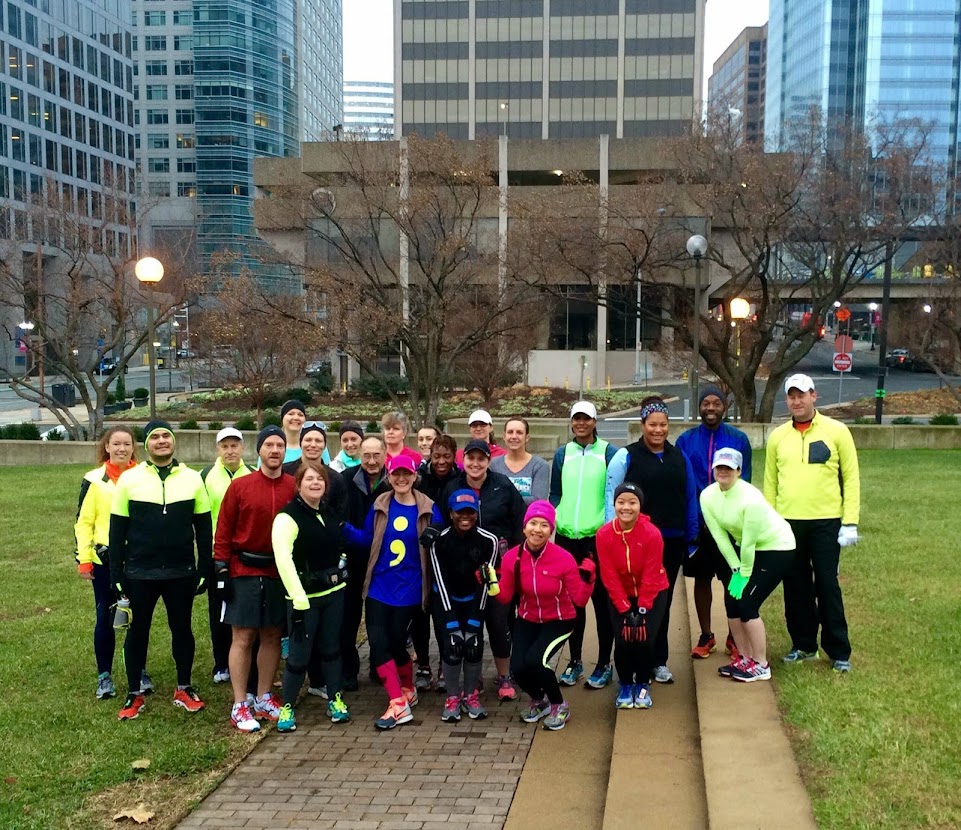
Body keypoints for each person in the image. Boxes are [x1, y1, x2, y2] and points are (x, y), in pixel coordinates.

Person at [109, 420, 212, 720]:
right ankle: (134, 693)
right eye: (155, 437)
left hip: (181, 571)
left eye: (167, 435)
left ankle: (184, 687)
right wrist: (116, 574)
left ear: (174, 442)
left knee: (182, 630)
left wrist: (204, 568)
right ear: (146, 445)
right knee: (137, 633)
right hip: (139, 572)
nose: (162, 441)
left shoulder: (193, 479)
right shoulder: (129, 480)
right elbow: (116, 531)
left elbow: (204, 530)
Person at [764, 374, 860, 673]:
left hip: (826, 522)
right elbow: (771, 483)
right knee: (796, 587)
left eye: (802, 395)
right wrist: (770, 523)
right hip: (788, 524)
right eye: (791, 396)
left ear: (814, 396)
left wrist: (850, 521)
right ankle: (804, 645)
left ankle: (838, 650)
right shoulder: (778, 436)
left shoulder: (837, 431)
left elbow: (851, 478)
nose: (797, 401)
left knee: (828, 585)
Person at [344, 454, 443, 729]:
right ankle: (397, 703)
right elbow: (368, 539)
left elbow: (442, 536)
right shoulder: (380, 504)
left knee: (397, 643)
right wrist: (343, 529)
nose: (401, 479)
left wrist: (436, 534)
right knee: (378, 643)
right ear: (389, 477)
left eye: (406, 474)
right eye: (395, 474)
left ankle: (408, 689)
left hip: (410, 588)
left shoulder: (428, 507)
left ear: (414, 476)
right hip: (379, 586)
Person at [605, 397, 698, 685]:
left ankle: (658, 661)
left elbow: (690, 496)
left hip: (671, 541)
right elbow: (611, 496)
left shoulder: (679, 456)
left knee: (661, 603)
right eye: (652, 424)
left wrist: (692, 534)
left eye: (663, 424)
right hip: (635, 542)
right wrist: (613, 533)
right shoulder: (627, 456)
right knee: (630, 601)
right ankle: (630, 662)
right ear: (642, 424)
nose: (658, 430)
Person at [213, 425, 296, 732]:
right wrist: (221, 568)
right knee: (244, 637)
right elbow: (224, 530)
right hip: (244, 570)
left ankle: (263, 696)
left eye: (279, 446)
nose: (274, 451)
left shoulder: (293, 486)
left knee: (272, 635)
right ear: (259, 450)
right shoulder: (241, 486)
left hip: (278, 570)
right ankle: (240, 703)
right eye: (269, 445)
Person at [440, 438, 527, 701]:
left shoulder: (503, 485)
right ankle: (473, 678)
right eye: (471, 458)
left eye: (481, 459)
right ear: (463, 460)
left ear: (489, 460)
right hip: (462, 570)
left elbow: (519, 523)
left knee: (499, 623)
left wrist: (515, 560)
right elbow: (442, 522)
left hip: (498, 569)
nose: (475, 463)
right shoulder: (452, 486)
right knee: (470, 625)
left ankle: (504, 675)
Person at [496, 501, 595, 731]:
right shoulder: (512, 558)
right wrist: (490, 584)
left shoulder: (564, 558)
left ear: (551, 531)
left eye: (544, 525)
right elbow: (505, 597)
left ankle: (559, 705)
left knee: (536, 660)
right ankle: (540, 700)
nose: (537, 530)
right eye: (533, 523)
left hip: (560, 619)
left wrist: (589, 580)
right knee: (518, 668)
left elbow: (579, 600)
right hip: (528, 618)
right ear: (524, 527)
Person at [701, 448, 796, 681]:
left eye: (729, 468)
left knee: (747, 602)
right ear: (713, 469)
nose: (723, 472)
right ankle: (744, 658)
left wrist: (744, 573)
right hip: (745, 549)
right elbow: (719, 536)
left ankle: (761, 664)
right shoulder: (707, 496)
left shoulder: (751, 498)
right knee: (732, 601)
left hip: (777, 547)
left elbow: (749, 542)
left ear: (739, 471)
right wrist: (735, 568)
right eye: (719, 467)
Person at [675, 386, 753, 660]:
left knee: (733, 579)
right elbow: (684, 485)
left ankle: (734, 635)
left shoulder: (738, 439)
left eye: (716, 403)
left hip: (729, 524)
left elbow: (745, 481)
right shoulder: (686, 441)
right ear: (699, 407)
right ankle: (706, 634)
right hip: (699, 524)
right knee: (702, 579)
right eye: (705, 403)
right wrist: (693, 521)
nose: (710, 408)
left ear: (725, 407)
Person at [272, 463, 351, 731]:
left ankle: (335, 699)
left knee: (331, 650)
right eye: (309, 479)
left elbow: (340, 546)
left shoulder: (328, 512)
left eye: (320, 479)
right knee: (298, 658)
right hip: (303, 600)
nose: (315, 483)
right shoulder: (287, 518)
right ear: (298, 485)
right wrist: (298, 597)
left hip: (333, 595)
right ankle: (287, 707)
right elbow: (283, 560)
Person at [551, 401, 619, 690]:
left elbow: (613, 493)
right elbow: (555, 494)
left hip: (597, 539)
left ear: (594, 421)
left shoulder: (609, 452)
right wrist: (558, 517)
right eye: (576, 419)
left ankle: (604, 663)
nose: (581, 423)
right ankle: (575, 661)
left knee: (601, 603)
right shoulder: (562, 453)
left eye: (586, 419)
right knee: (572, 604)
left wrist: (606, 526)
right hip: (567, 538)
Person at [74, 426, 141, 700]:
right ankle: (105, 675)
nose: (121, 449)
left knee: (137, 619)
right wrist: (83, 559)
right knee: (106, 616)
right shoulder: (94, 480)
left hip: (138, 558)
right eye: (116, 444)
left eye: (127, 444)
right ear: (107, 447)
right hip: (104, 560)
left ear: (133, 448)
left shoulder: (144, 477)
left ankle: (139, 670)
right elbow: (83, 522)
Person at [424, 489, 499, 721]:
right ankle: (453, 697)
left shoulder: (489, 541)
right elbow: (440, 581)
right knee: (452, 646)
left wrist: (476, 618)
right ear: (451, 513)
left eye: (470, 512)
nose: (465, 517)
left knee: (474, 645)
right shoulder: (439, 541)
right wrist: (451, 621)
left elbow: (486, 582)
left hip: (475, 600)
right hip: (447, 601)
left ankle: (471, 696)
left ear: (477, 512)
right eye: (459, 512)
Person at [595, 482, 669, 709]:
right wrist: (625, 609)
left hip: (653, 591)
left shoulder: (652, 533)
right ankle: (626, 683)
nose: (626, 507)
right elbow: (608, 574)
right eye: (621, 502)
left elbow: (651, 573)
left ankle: (643, 683)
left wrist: (643, 609)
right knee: (624, 639)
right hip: (621, 593)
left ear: (640, 506)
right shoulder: (604, 534)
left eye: (632, 502)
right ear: (614, 504)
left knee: (645, 639)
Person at [200, 426, 253, 684]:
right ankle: (221, 662)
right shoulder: (205, 476)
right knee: (218, 609)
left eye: (234, 446)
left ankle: (244, 660)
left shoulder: (252, 474)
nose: (230, 451)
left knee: (243, 610)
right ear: (218, 449)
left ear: (242, 448)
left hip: (244, 555)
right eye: (225, 446)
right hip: (216, 553)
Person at [340, 435, 390, 689]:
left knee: (378, 620)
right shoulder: (345, 480)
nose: (371, 461)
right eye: (366, 455)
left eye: (376, 455)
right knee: (348, 620)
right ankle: (348, 671)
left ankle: (378, 667)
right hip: (352, 560)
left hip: (382, 562)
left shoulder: (394, 481)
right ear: (359, 455)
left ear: (385, 455)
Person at [411, 433, 459, 691]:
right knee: (420, 612)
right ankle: (423, 665)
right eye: (437, 456)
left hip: (448, 552)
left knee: (442, 612)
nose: (441, 461)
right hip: (420, 551)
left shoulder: (459, 479)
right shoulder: (419, 479)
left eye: (446, 456)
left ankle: (443, 663)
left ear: (454, 457)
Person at [283, 421, 349, 522]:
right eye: (308, 440)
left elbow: (341, 516)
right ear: (300, 443)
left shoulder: (336, 479)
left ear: (324, 445)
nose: (313, 445)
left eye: (318, 441)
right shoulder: (285, 472)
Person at [490, 417, 550, 505]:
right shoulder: (494, 465)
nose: (514, 436)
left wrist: (505, 499)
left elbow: (538, 500)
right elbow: (491, 497)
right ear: (504, 436)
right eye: (510, 432)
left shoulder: (539, 466)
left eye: (519, 432)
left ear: (527, 437)